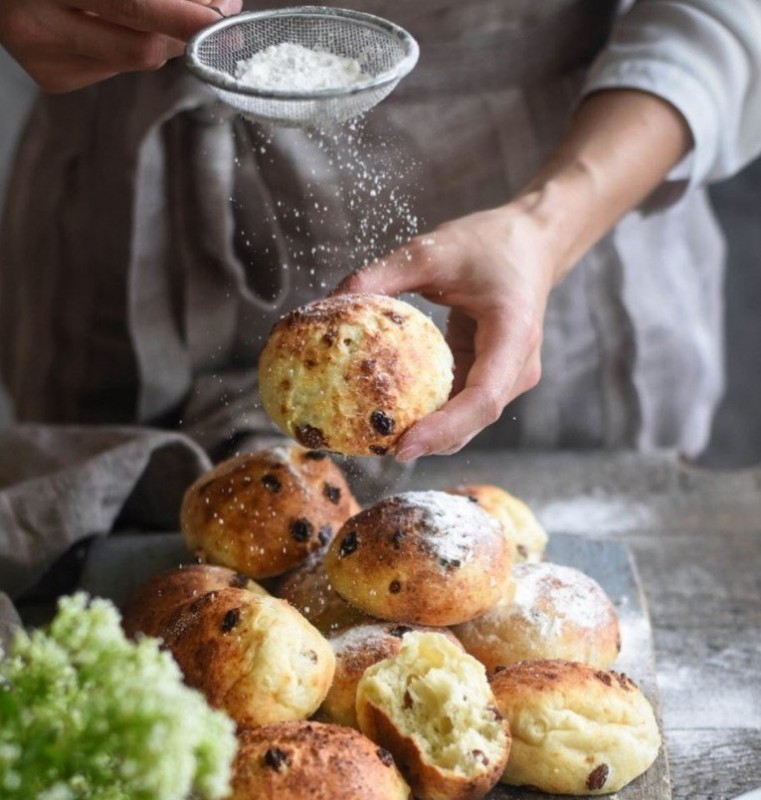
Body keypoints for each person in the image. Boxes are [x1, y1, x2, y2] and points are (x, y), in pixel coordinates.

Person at [0, 1, 760, 609]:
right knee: (100, 556)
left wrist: (542, 226)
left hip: (555, 171)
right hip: (130, 180)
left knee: (523, 552)